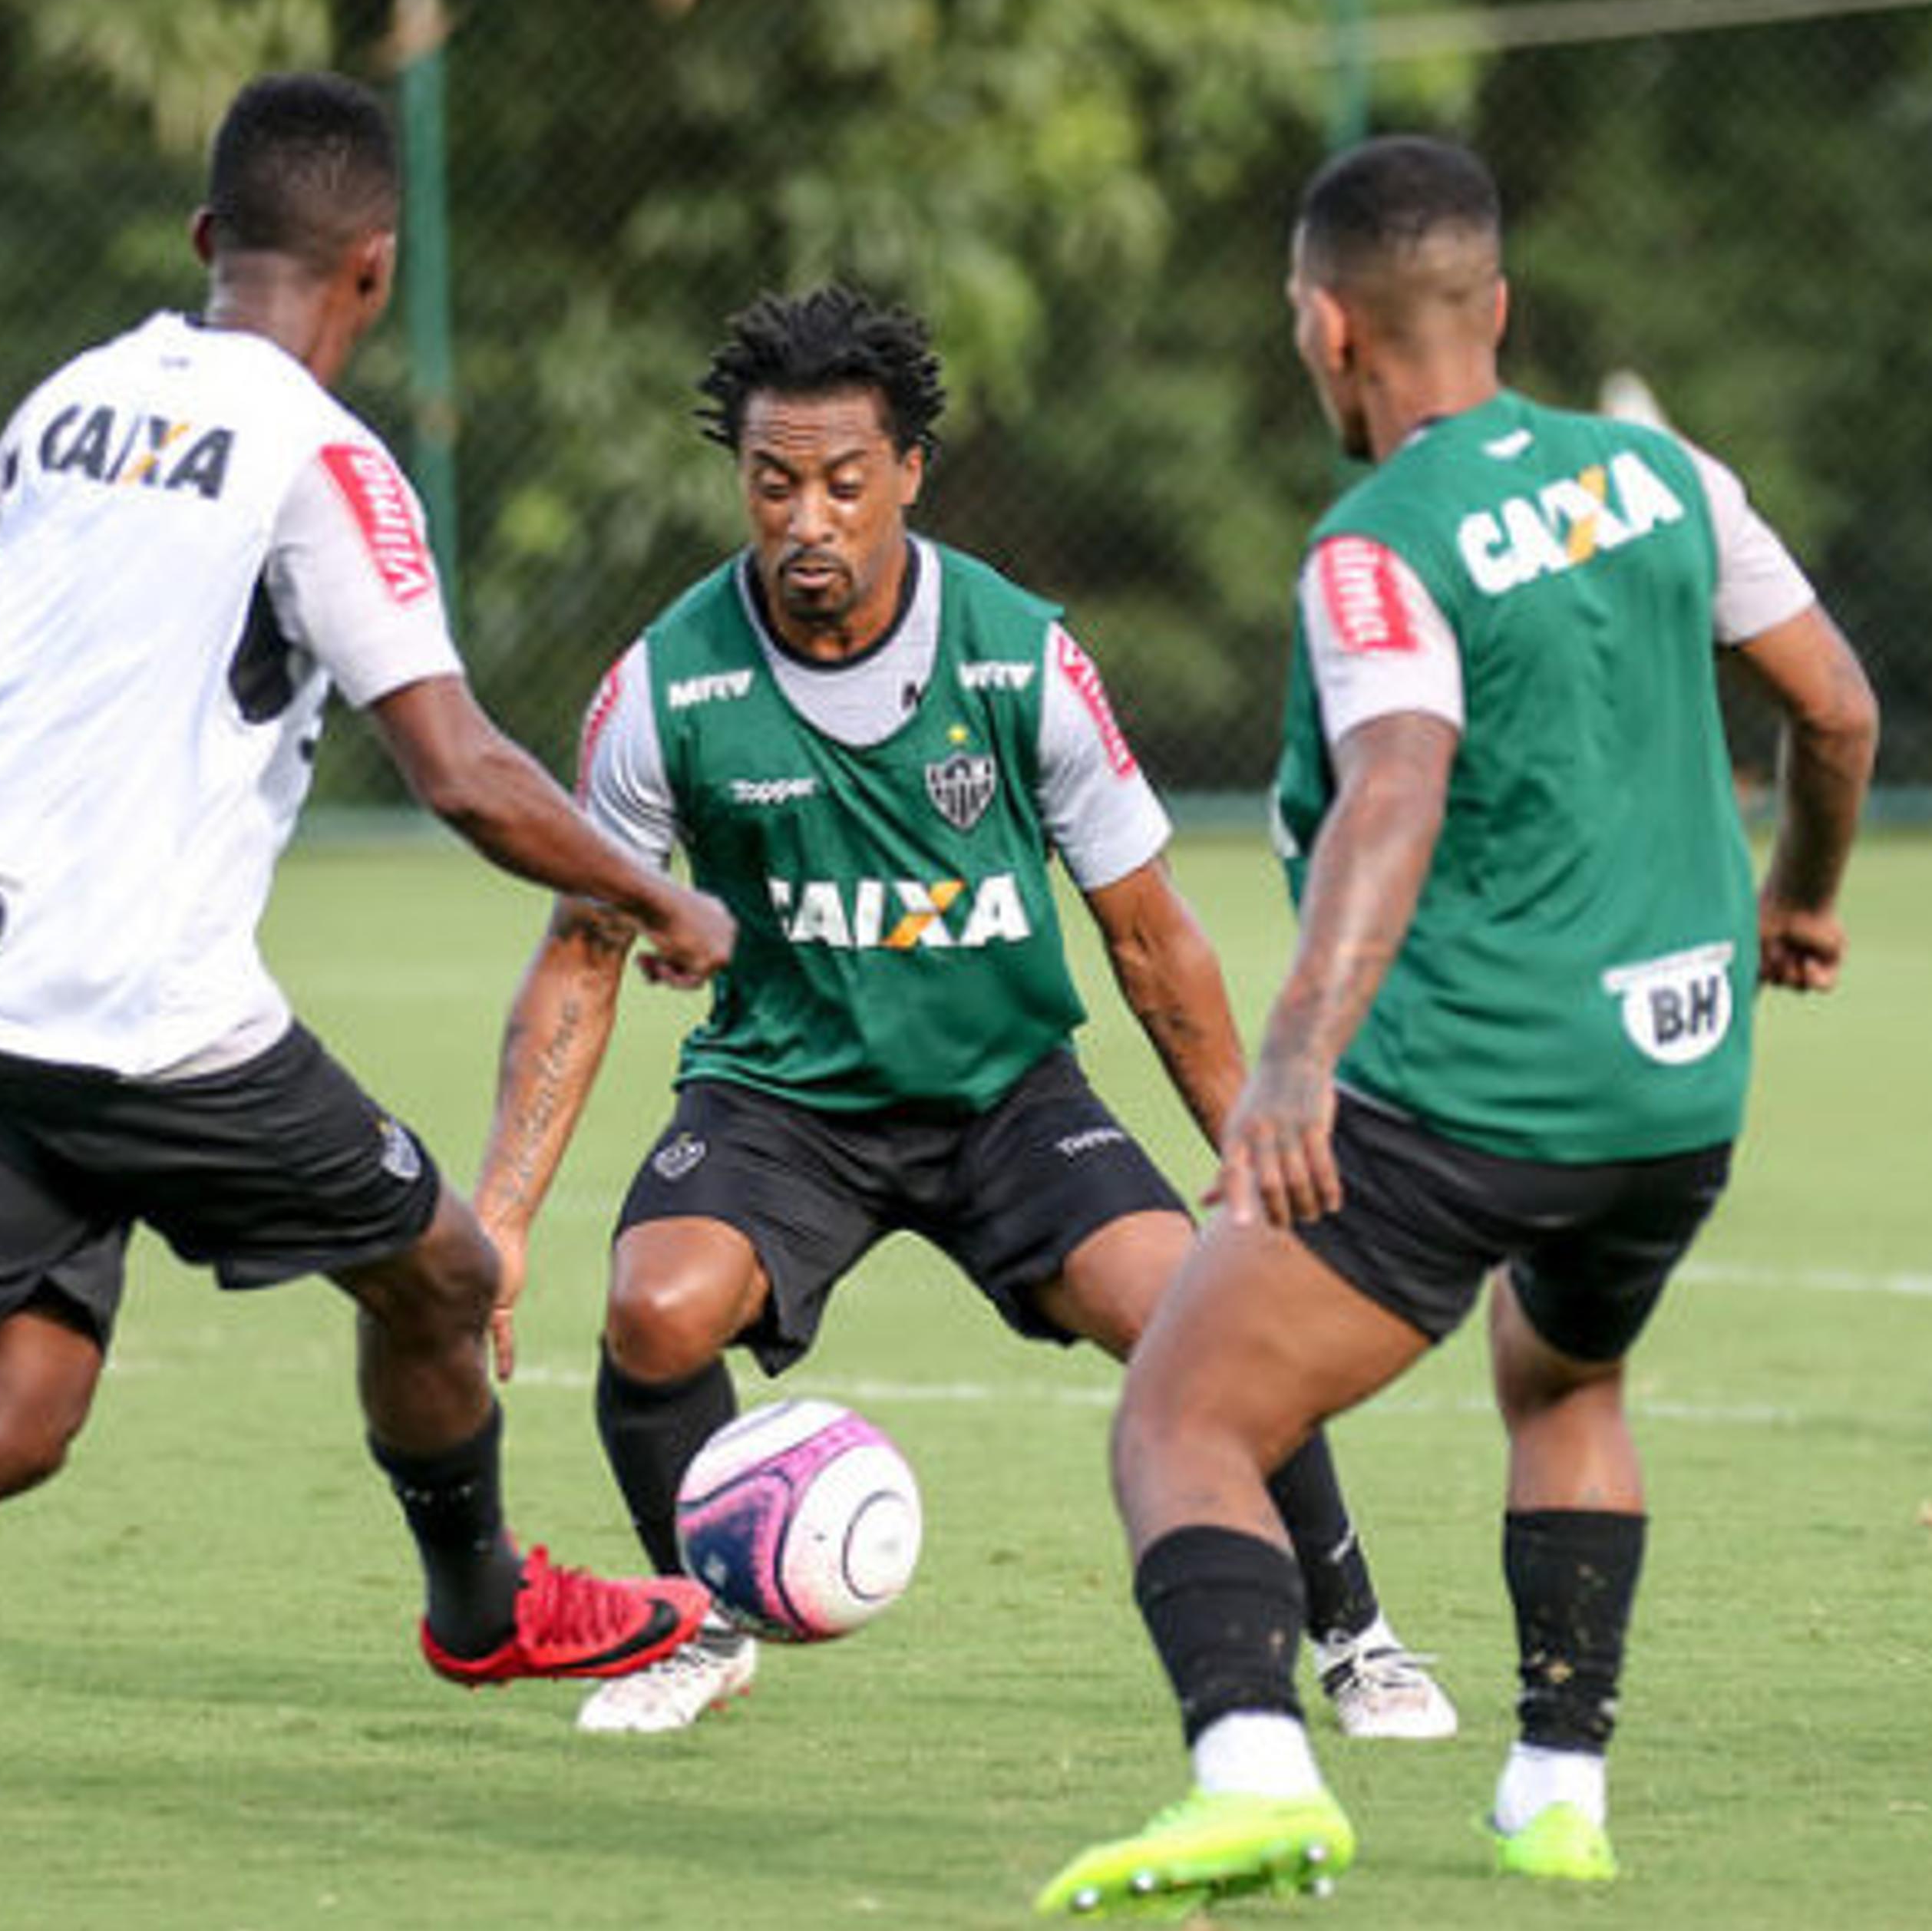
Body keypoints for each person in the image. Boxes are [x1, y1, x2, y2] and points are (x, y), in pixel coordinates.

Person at [0, 72, 737, 1857]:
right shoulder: (324, 457)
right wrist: (663, 898)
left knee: (18, 1401)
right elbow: (465, 769)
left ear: (209, 242)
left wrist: (36, 802)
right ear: (374, 265)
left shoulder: (74, 397)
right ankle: (483, 1600)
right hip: (143, 1013)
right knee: (437, 1271)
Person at [1037, 137, 1878, 1916]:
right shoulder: (1667, 474)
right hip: (1682, 1088)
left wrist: (1291, 1053)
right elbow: (1840, 707)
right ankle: (1557, 1788)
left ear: (1329, 332)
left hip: (1475, 1084)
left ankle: (1253, 1771)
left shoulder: (1375, 544)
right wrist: (1799, 896)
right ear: (1492, 308)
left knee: (1182, 1416)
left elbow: (1396, 787)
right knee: (1562, 1369)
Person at [470, 283, 1452, 1741]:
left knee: (1198, 1314)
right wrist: (502, 1208)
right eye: (774, 481)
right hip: (780, 1100)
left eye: (844, 484)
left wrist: (1253, 1134)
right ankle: (699, 1623)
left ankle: (1358, 1637)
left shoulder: (1018, 653)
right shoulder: (665, 684)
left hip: (1009, 1097)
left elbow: (1150, 934)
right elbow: (582, 952)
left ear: (908, 476)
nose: (809, 518)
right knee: (654, 1312)